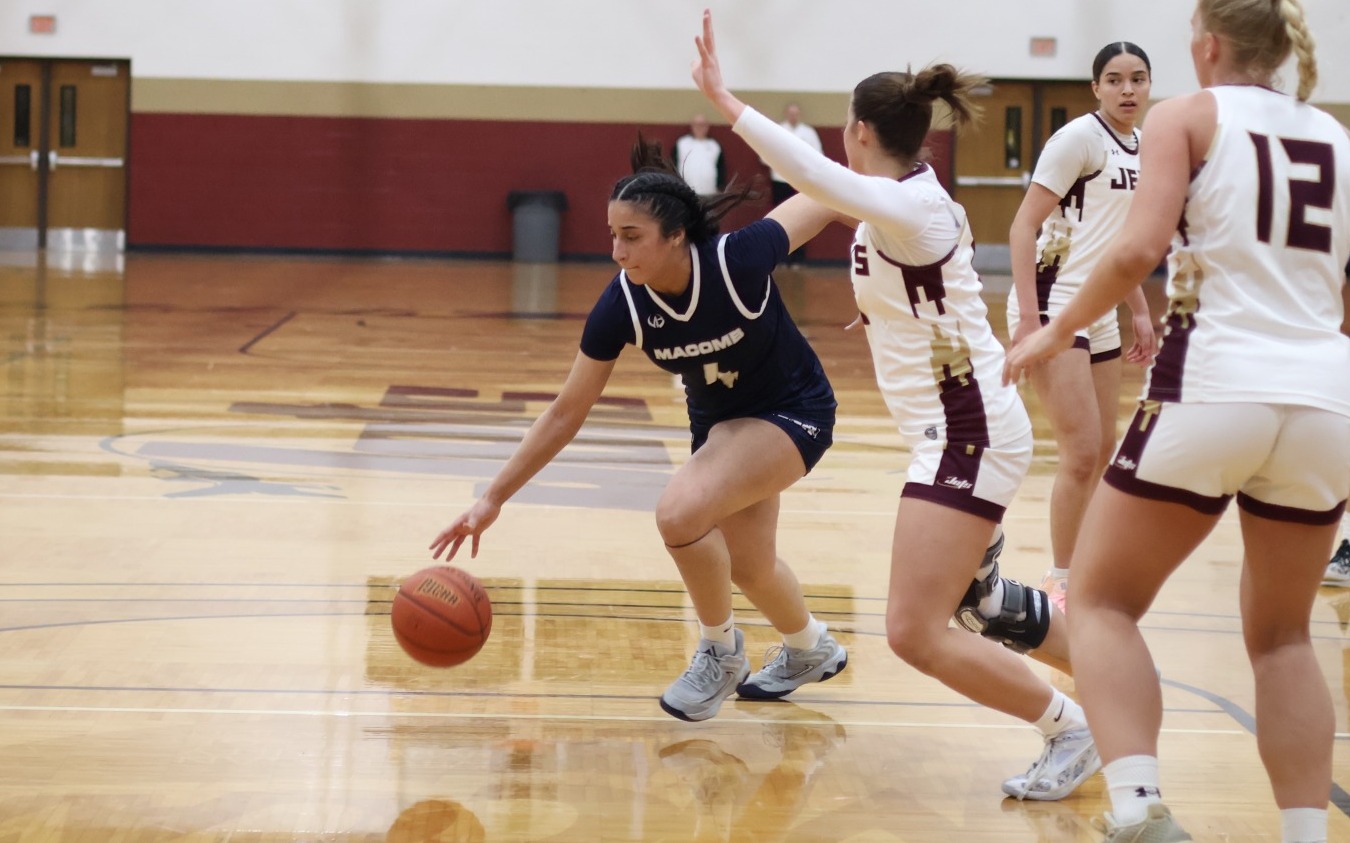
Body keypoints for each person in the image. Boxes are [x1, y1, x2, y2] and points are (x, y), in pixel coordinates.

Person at [692, 9, 1099, 801]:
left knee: (914, 629)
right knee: (977, 606)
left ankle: (1070, 726)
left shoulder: (910, 206)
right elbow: (869, 231)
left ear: (857, 131)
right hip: (964, 424)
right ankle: (1117, 675)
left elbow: (820, 184)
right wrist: (884, 313)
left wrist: (728, 103)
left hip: (965, 431)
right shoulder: (905, 197)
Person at [1003, 1, 1350, 840]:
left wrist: (1051, 323)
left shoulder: (1186, 115)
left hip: (1218, 381)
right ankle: (1306, 834)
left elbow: (1134, 248)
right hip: (1325, 399)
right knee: (1283, 637)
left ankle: (1137, 801)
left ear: (1207, 44)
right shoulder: (1337, 137)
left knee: (1100, 598)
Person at [430, 136, 850, 723]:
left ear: (676, 235)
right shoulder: (622, 305)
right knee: (751, 566)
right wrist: (491, 498)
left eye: (631, 237)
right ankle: (811, 648)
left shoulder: (737, 259)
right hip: (724, 429)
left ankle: (720, 650)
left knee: (679, 514)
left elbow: (831, 191)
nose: (617, 252)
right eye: (612, 236)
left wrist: (909, 223)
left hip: (794, 410)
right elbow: (564, 413)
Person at [1006, 42, 1159, 614]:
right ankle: (1062, 581)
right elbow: (1023, 228)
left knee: (1105, 451)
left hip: (1102, 306)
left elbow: (1119, 245)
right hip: (1052, 302)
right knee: (1079, 450)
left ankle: (1088, 567)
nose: (1127, 90)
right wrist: (1027, 318)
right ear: (1096, 87)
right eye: (1115, 79)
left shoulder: (1145, 147)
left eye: (1137, 79)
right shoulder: (1078, 140)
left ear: (1148, 87)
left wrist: (1139, 310)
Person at [768, 103, 824, 264]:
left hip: (801, 182)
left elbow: (817, 155)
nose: (793, 116)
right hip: (779, 180)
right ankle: (781, 258)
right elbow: (766, 153)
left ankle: (798, 259)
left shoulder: (808, 132)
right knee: (779, 220)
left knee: (801, 220)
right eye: (790, 113)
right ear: (786, 114)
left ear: (799, 115)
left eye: (796, 113)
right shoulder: (777, 129)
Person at [675, 113, 725, 197]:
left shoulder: (714, 146)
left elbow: (720, 168)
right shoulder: (682, 143)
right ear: (692, 126)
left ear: (707, 126)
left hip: (709, 193)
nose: (699, 128)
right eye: (696, 124)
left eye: (702, 125)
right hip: (685, 193)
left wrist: (720, 187)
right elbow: (674, 163)